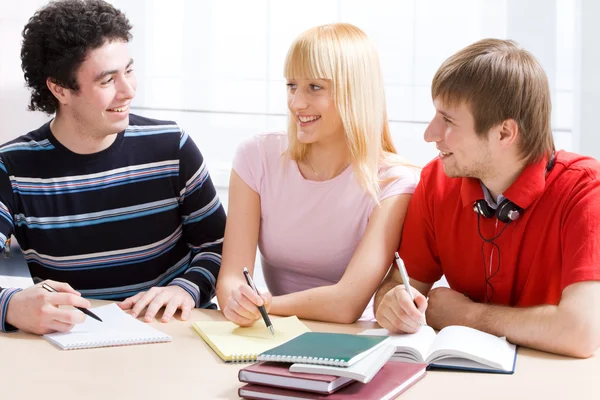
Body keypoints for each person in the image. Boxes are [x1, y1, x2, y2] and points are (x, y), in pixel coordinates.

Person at [0, 0, 225, 334]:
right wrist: (11, 305)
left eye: (129, 71)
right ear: (59, 89)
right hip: (74, 344)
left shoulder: (171, 146)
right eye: (108, 80)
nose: (128, 91)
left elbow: (218, 247)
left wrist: (185, 289)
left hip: (175, 333)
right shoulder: (13, 168)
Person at [374, 39, 600, 358]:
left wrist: (467, 317)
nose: (430, 133)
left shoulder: (585, 188)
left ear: (505, 133)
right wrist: (392, 303)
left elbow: (581, 332)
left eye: (448, 120)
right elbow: (398, 284)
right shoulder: (436, 181)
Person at [216, 23, 418, 326]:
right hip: (272, 330)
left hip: (350, 340)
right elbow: (232, 276)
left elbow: (346, 305)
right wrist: (237, 301)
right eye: (291, 85)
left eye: (315, 87)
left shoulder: (393, 183)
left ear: (355, 94)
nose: (296, 103)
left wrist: (265, 307)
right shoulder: (256, 157)